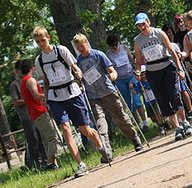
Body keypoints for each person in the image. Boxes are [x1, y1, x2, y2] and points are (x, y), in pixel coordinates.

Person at [32, 26, 103, 178]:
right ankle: (80, 164)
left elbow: (74, 66)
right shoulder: (39, 60)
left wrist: (77, 72)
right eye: (38, 42)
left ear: (48, 37)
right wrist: (45, 98)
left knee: (84, 129)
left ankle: (100, 144)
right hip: (55, 97)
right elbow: (45, 80)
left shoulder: (61, 50)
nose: (41, 44)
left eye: (43, 40)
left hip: (72, 92)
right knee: (65, 129)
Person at [73, 33, 143, 163]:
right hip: (93, 96)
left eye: (82, 46)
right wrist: (80, 83)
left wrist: (113, 75)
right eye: (78, 47)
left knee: (121, 118)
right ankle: (106, 152)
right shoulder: (78, 62)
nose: (81, 49)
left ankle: (134, 138)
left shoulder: (98, 55)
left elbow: (112, 70)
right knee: (100, 124)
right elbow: (81, 79)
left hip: (107, 92)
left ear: (86, 42)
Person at [133, 13, 192, 141]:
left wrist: (180, 69)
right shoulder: (137, 41)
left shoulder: (159, 33)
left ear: (148, 22)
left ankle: (184, 122)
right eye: (139, 26)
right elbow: (138, 61)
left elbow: (171, 51)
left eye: (143, 24)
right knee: (162, 100)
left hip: (167, 67)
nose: (142, 27)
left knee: (174, 95)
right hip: (152, 71)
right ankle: (177, 127)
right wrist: (138, 72)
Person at [19, 59, 61, 170]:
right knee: (53, 137)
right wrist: (48, 95)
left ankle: (53, 164)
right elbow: (36, 96)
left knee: (46, 139)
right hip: (40, 111)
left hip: (34, 113)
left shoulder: (23, 81)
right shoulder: (30, 80)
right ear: (32, 67)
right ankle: (50, 163)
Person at [106, 34, 149, 131]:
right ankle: (139, 125)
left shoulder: (124, 48)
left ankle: (145, 122)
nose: (115, 47)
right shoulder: (108, 55)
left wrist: (137, 72)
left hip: (131, 76)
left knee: (137, 99)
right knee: (130, 103)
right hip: (120, 80)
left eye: (116, 44)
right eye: (113, 46)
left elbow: (132, 61)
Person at [9, 60, 46, 169]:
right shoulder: (15, 85)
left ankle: (44, 160)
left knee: (41, 137)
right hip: (26, 116)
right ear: (16, 71)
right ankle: (33, 164)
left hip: (36, 112)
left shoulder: (30, 80)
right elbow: (15, 102)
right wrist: (28, 99)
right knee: (33, 139)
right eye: (19, 69)